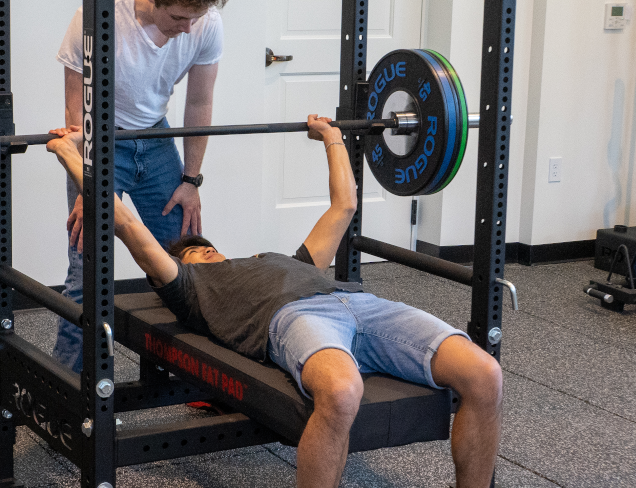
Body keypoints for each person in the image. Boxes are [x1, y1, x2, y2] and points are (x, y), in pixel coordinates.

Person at [45, 116, 503, 488]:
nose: (201, 249)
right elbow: (126, 224)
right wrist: (73, 156)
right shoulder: (187, 288)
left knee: (485, 374)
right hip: (294, 319)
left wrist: (331, 138)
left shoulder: (290, 260)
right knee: (343, 393)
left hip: (359, 303)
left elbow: (344, 206)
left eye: (205, 245)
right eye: (190, 251)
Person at [53, 0, 231, 372]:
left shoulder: (205, 23)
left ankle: (194, 376)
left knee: (185, 260)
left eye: (196, 18)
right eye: (178, 17)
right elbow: (77, 117)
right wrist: (87, 185)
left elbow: (198, 104)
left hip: (156, 142)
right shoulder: (96, 17)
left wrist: (190, 181)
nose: (188, 28)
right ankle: (72, 387)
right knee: (87, 270)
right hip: (100, 142)